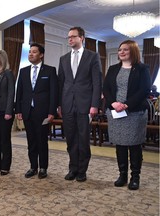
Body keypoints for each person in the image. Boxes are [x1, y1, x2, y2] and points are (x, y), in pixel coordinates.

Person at [103, 40, 151, 190]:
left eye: (125, 50)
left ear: (134, 52)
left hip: (134, 112)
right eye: (119, 50)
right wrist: (114, 104)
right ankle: (122, 175)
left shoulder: (142, 69)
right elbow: (106, 89)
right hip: (116, 112)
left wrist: (126, 104)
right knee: (120, 145)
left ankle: (135, 177)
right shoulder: (112, 69)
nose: (121, 52)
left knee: (135, 146)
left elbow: (144, 90)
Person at [58, 27, 102, 182]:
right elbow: (61, 83)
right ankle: (73, 168)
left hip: (85, 105)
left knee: (83, 139)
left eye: (73, 36)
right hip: (67, 104)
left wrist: (94, 104)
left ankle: (82, 171)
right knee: (70, 139)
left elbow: (97, 83)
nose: (70, 39)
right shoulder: (63, 59)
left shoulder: (92, 56)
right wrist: (59, 104)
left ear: (82, 37)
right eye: (68, 37)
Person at [15, 43, 58, 179]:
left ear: (41, 55)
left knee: (41, 141)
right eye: (29, 52)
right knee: (31, 141)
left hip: (43, 112)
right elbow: (19, 92)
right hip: (27, 111)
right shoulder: (23, 71)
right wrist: (18, 110)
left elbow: (54, 93)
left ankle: (43, 168)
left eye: (34, 52)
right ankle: (33, 167)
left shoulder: (50, 70)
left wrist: (52, 111)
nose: (31, 54)